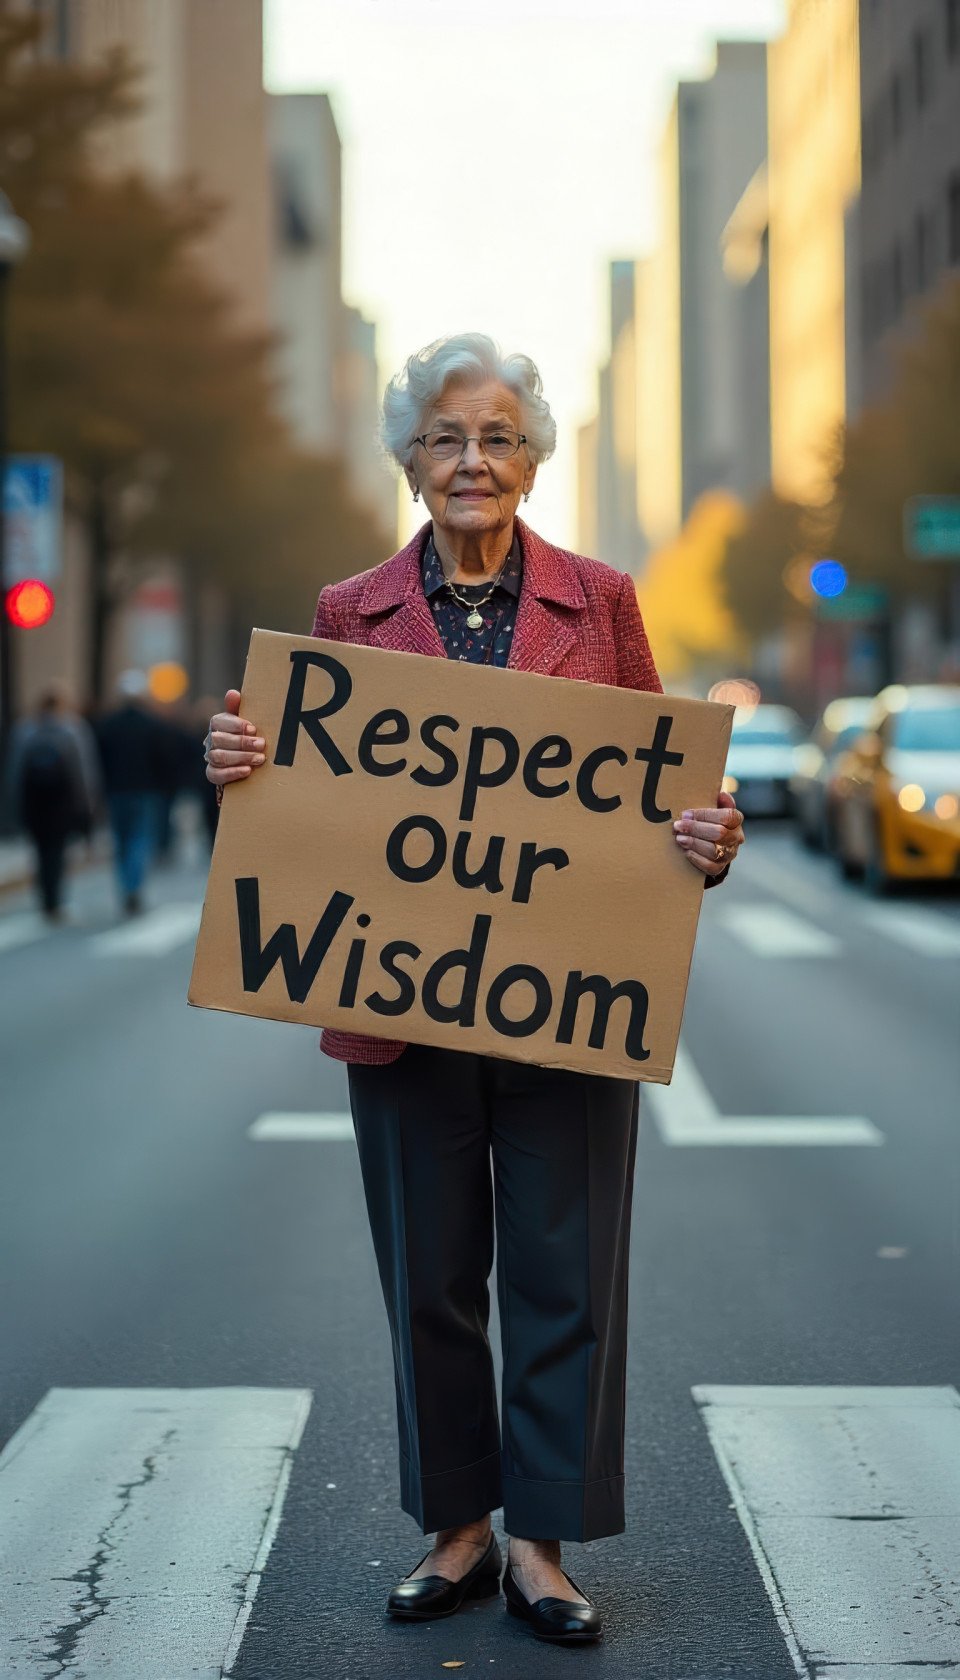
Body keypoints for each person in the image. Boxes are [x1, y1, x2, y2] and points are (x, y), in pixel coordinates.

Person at [205, 334, 744, 1646]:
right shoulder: (347, 611)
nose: (473, 462)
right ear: (410, 458)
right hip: (399, 1008)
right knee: (430, 1278)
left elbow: (663, 788)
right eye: (447, 438)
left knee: (567, 1278)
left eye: (498, 437)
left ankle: (541, 1546)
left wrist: (706, 836)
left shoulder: (602, 602)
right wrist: (242, 767)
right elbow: (312, 806)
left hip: (570, 1007)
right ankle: (456, 1527)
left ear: (533, 459)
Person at [5, 683, 100, 922]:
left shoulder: (25, 730)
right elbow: (83, 771)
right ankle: (55, 899)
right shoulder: (73, 729)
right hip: (62, 803)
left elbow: (15, 770)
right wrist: (87, 803)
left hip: (34, 802)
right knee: (57, 850)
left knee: (40, 850)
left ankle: (45, 897)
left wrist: (14, 803)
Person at [94, 670, 176, 916]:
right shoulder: (152, 724)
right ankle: (134, 885)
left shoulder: (107, 724)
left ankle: (126, 886)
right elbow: (164, 759)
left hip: (116, 791)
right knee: (139, 839)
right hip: (145, 790)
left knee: (120, 840)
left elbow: (99, 761)